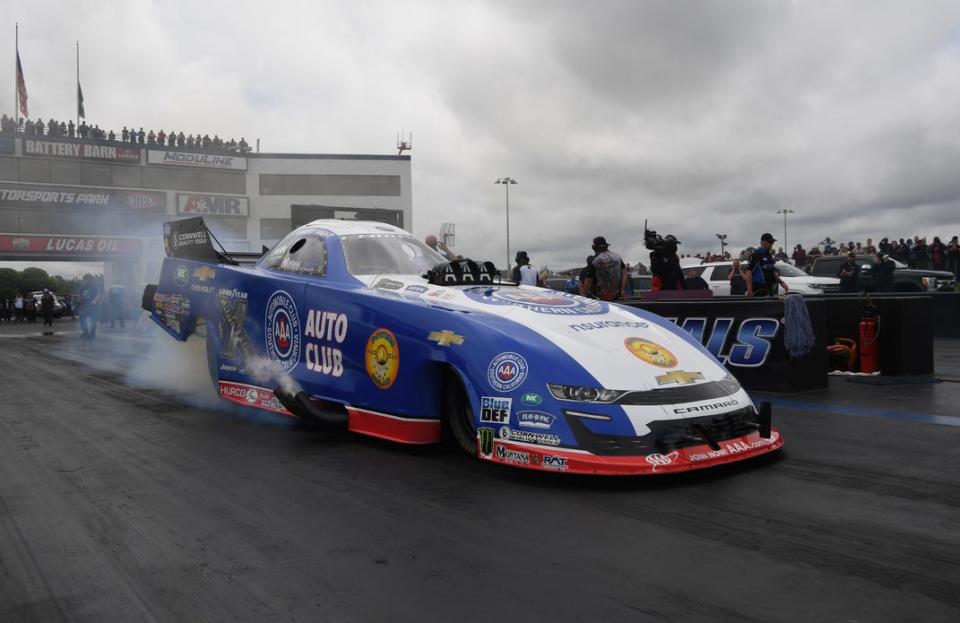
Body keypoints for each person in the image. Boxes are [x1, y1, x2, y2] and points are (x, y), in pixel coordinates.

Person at [582, 236, 627, 300]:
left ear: (594, 247)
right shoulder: (617, 257)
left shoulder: (594, 260)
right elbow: (624, 274)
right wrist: (622, 290)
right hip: (616, 295)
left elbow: (588, 281)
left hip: (600, 297)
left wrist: (584, 296)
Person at [79, 274, 101, 339]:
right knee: (82, 319)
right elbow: (81, 296)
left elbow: (99, 294)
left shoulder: (94, 286)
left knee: (93, 320)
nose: (85, 280)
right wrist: (80, 303)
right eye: (85, 279)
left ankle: (92, 333)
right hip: (84, 306)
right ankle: (85, 333)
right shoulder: (83, 287)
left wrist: (95, 300)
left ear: (89, 279)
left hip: (93, 306)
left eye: (86, 279)